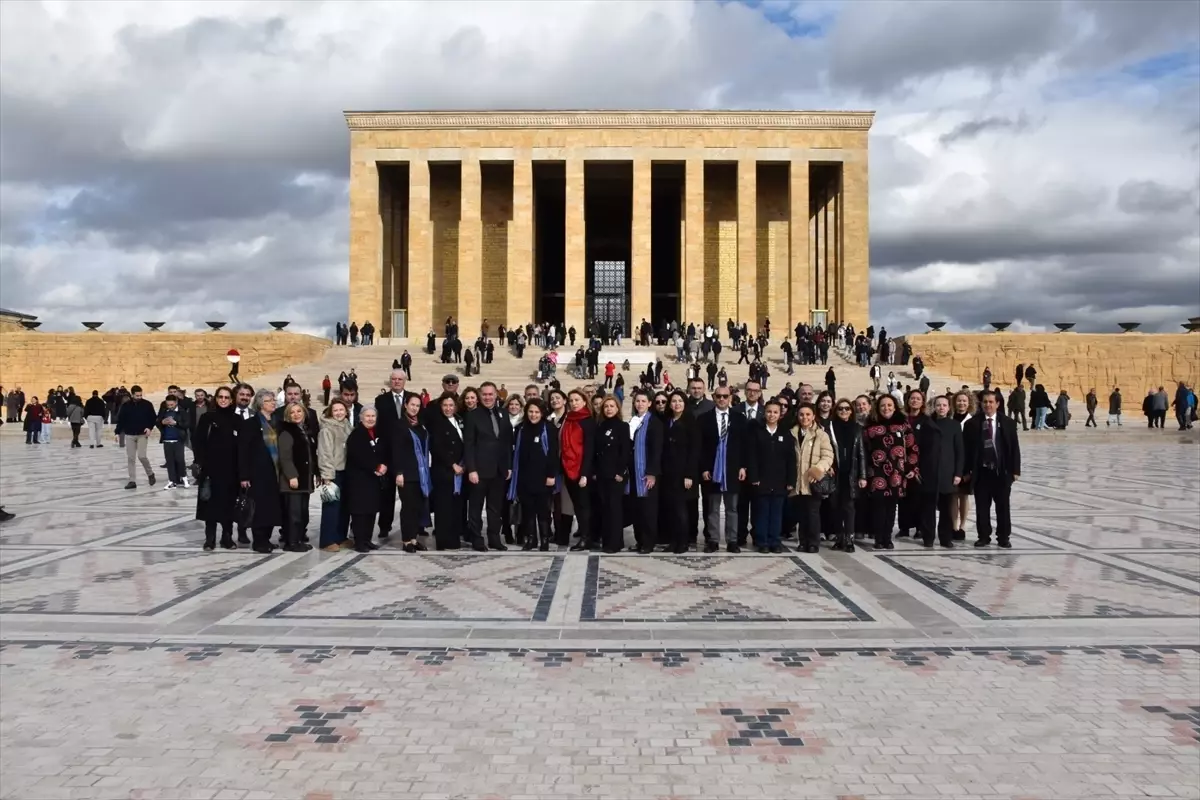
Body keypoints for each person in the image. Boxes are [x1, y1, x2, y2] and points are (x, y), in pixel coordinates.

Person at [963, 390, 1020, 549]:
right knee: (982, 507)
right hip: (982, 472)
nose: (988, 405)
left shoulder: (1008, 423)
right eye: (985, 402)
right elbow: (967, 450)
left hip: (1001, 472)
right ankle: (983, 536)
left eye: (991, 402)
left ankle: (1003, 537)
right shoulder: (972, 424)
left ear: (997, 404)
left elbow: (1014, 447)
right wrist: (966, 471)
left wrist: (1015, 470)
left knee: (1003, 507)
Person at [862, 394, 918, 550]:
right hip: (876, 472)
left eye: (889, 405)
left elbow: (912, 448)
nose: (886, 408)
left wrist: (911, 467)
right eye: (882, 406)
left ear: (894, 407)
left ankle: (887, 538)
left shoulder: (903, 425)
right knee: (878, 506)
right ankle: (879, 538)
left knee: (891, 506)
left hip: (897, 472)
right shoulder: (870, 427)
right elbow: (864, 450)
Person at [463, 382, 513, 551]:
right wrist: (472, 469)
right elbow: (468, 445)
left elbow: (506, 442)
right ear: (479, 395)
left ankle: (494, 538)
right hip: (479, 470)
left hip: (499, 470)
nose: (487, 397)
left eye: (490, 394)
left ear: (496, 395)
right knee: (476, 507)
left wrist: (509, 466)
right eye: (484, 394)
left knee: (495, 508)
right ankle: (477, 539)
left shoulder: (503, 413)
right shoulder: (472, 415)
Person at [698, 386, 748, 553]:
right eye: (718, 396)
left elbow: (743, 445)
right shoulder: (704, 419)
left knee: (732, 507)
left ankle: (732, 540)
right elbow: (701, 447)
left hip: (732, 470)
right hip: (713, 470)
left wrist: (743, 466)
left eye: (725, 396)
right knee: (712, 507)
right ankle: (713, 539)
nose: (721, 399)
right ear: (713, 397)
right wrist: (704, 468)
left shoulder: (739, 418)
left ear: (730, 398)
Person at [508, 398, 560, 551]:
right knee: (528, 510)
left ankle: (544, 539)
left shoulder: (549, 428)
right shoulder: (521, 429)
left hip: (543, 477)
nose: (533, 415)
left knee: (543, 510)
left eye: (537, 412)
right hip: (524, 476)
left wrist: (551, 475)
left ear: (542, 413)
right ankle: (531, 538)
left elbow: (553, 453)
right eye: (530, 411)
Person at [237, 389, 284, 554]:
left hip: (276, 471)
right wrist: (244, 475)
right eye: (269, 400)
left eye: (273, 400)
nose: (273, 402)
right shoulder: (251, 424)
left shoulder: (278, 422)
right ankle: (259, 541)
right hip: (258, 472)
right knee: (260, 508)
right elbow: (243, 450)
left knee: (272, 507)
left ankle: (267, 539)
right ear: (260, 404)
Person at [193, 386, 240, 550]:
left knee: (228, 505)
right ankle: (210, 539)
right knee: (210, 506)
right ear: (216, 399)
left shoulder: (237, 420)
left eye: (227, 397)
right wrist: (200, 462)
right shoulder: (207, 417)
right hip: (211, 469)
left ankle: (227, 537)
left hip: (230, 470)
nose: (223, 400)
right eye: (220, 397)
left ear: (232, 400)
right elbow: (198, 441)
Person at [747, 399, 796, 553]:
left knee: (776, 513)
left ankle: (775, 540)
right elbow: (752, 457)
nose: (772, 415)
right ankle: (762, 541)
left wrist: (790, 480)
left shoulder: (785, 433)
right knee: (762, 512)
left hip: (780, 481)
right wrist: (754, 477)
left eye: (775, 412)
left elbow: (791, 459)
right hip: (762, 480)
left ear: (780, 414)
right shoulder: (757, 432)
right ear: (764, 412)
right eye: (769, 411)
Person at [915, 395, 964, 548]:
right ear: (934, 407)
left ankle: (945, 537)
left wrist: (958, 473)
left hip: (947, 472)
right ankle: (928, 537)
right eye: (938, 405)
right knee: (928, 507)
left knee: (946, 508)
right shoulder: (927, 424)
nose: (941, 408)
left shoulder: (954, 425)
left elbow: (959, 451)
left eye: (944, 405)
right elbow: (918, 448)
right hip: (929, 471)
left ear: (949, 408)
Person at [660, 390, 699, 554]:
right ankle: (673, 540)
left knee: (681, 509)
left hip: (683, 473)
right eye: (674, 401)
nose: (677, 404)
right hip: (668, 472)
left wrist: (689, 474)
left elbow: (694, 450)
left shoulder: (691, 422)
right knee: (670, 509)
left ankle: (683, 541)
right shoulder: (666, 421)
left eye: (680, 401)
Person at [792, 402, 834, 553]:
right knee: (801, 513)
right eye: (802, 414)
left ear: (813, 416)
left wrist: (818, 470)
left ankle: (813, 542)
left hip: (813, 480)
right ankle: (802, 541)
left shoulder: (821, 434)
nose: (805, 417)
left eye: (808, 414)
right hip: (798, 480)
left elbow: (828, 455)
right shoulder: (792, 433)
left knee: (813, 512)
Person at [392, 393, 432, 553]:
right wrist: (399, 472)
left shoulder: (420, 424)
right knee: (408, 507)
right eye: (412, 405)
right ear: (405, 405)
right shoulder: (399, 425)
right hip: (406, 472)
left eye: (417, 405)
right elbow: (396, 450)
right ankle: (406, 540)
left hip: (421, 472)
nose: (414, 408)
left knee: (417, 506)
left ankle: (414, 538)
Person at [345, 406, 387, 553]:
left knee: (371, 510)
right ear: (361, 418)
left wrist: (383, 465)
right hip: (359, 479)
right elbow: (358, 456)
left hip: (373, 480)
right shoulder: (356, 435)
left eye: (373, 416)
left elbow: (382, 451)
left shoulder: (376, 433)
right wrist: (375, 467)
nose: (370, 419)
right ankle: (359, 541)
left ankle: (367, 539)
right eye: (367, 416)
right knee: (360, 512)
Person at [627, 390, 663, 554]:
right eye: (637, 401)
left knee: (648, 509)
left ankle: (648, 542)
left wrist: (652, 473)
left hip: (647, 473)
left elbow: (656, 450)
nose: (640, 404)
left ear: (649, 403)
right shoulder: (633, 421)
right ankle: (639, 540)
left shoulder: (654, 423)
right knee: (636, 508)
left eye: (643, 401)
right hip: (634, 472)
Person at [429, 392, 466, 550]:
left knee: (455, 507)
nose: (448, 408)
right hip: (444, 470)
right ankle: (443, 541)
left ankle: (454, 538)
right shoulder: (437, 422)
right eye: (445, 405)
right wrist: (452, 464)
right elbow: (437, 447)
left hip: (460, 469)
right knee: (443, 507)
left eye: (451, 405)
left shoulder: (459, 419)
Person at [277, 402, 316, 552]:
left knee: (302, 513)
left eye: (299, 411)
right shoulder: (287, 432)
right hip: (293, 481)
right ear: (288, 415)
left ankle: (298, 539)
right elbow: (285, 457)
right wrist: (292, 476)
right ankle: (291, 542)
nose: (296, 414)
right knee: (294, 513)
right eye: (292, 412)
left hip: (304, 480)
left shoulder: (304, 431)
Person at [593, 396, 630, 553]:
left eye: (612, 406)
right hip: (602, 474)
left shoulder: (622, 426)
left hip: (616, 475)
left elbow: (625, 450)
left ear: (617, 409)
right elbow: (596, 451)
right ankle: (606, 540)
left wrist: (620, 472)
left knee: (615, 509)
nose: (609, 409)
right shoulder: (599, 427)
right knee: (604, 508)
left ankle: (615, 542)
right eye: (606, 406)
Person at [828, 398, 866, 553]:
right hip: (835, 473)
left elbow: (861, 453)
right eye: (840, 409)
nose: (844, 411)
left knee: (849, 507)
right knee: (835, 506)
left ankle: (849, 539)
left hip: (851, 473)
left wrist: (862, 476)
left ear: (851, 411)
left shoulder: (857, 428)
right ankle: (839, 537)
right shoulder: (830, 427)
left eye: (847, 409)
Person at [561, 389, 596, 551]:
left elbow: (589, 450)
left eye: (577, 400)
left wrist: (584, 474)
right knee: (577, 504)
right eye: (571, 400)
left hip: (581, 470)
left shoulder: (588, 421)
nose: (574, 403)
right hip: (568, 467)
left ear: (584, 402)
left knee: (584, 506)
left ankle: (586, 538)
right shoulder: (568, 419)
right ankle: (584, 532)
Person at [317, 399, 352, 551]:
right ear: (331, 412)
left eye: (341, 410)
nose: (339, 413)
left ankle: (341, 537)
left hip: (346, 472)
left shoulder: (347, 426)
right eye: (336, 410)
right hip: (333, 473)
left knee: (344, 507)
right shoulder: (327, 429)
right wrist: (327, 475)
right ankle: (327, 540)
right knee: (331, 506)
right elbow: (325, 453)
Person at [115, 386, 157, 488]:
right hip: (129, 434)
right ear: (132, 394)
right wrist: (117, 432)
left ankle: (150, 473)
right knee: (131, 458)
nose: (139, 397)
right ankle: (132, 480)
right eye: (137, 395)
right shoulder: (126, 406)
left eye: (140, 395)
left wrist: (149, 428)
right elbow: (121, 420)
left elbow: (153, 417)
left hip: (142, 434)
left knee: (142, 456)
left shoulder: (147, 404)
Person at [157, 394, 190, 488]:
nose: (170, 407)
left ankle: (184, 478)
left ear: (176, 403)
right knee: (169, 461)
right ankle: (172, 481)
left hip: (178, 439)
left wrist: (176, 423)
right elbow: (158, 421)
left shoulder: (182, 412)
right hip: (167, 439)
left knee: (180, 460)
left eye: (172, 405)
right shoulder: (164, 411)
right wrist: (162, 422)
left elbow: (187, 424)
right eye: (168, 405)